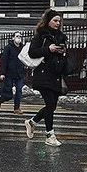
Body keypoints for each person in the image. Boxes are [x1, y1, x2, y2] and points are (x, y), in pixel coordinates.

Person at [24, 10, 69, 145]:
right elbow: (32, 52)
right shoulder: (41, 35)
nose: (57, 23)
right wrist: (49, 49)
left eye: (59, 21)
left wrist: (62, 51)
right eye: (55, 20)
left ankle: (32, 122)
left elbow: (60, 55)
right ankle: (50, 135)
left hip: (56, 74)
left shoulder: (61, 36)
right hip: (43, 75)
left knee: (52, 106)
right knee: (50, 104)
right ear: (48, 21)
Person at [0, 33, 26, 113]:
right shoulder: (8, 48)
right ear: (13, 38)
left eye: (20, 36)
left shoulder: (22, 48)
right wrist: (3, 73)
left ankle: (16, 108)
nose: (19, 38)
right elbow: (4, 61)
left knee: (19, 90)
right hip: (9, 72)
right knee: (7, 90)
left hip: (19, 73)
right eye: (17, 36)